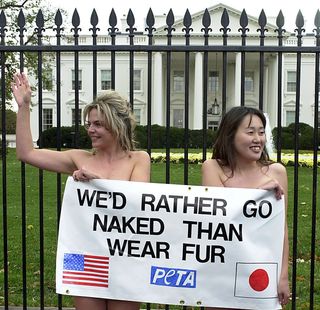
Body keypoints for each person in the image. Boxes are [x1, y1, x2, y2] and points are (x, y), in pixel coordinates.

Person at [12, 72, 150, 310]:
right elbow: (27, 153)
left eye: (98, 124)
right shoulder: (78, 158)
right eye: (89, 124)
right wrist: (23, 106)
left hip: (126, 259)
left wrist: (97, 182)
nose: (91, 130)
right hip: (85, 257)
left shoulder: (139, 159)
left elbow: (136, 203)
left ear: (117, 125)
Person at [202, 106, 290, 310]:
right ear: (230, 135)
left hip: (261, 271)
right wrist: (258, 194)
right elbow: (218, 219)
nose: (258, 139)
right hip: (222, 271)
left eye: (261, 132)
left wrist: (282, 275)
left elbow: (281, 230)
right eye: (250, 132)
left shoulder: (277, 172)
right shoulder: (212, 167)